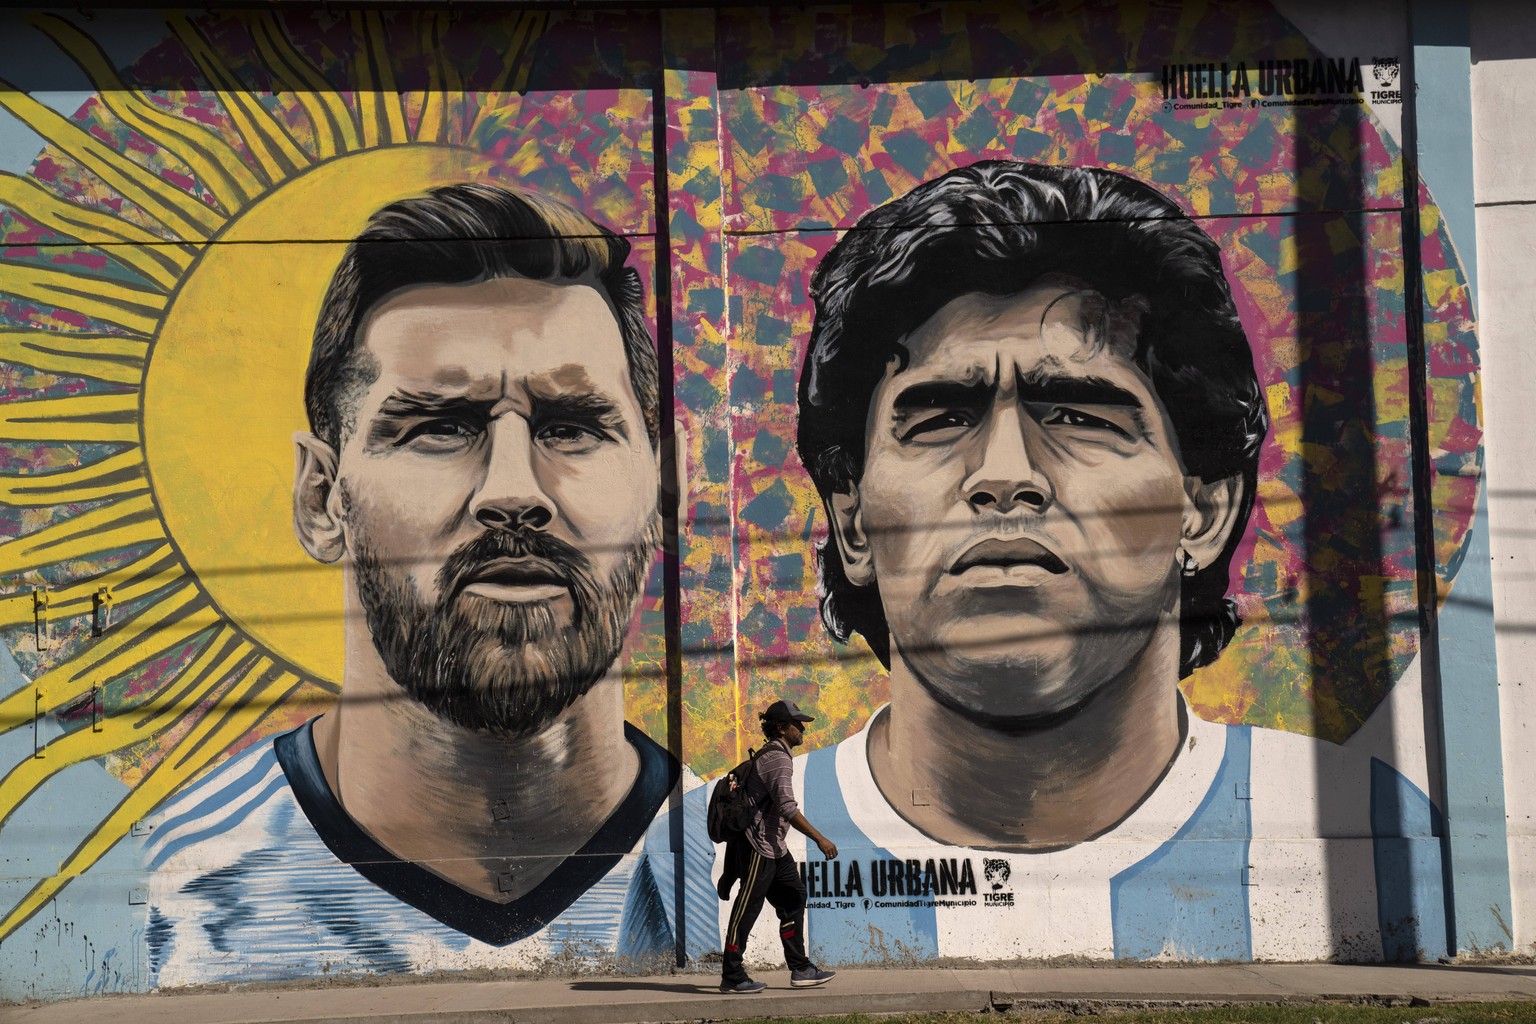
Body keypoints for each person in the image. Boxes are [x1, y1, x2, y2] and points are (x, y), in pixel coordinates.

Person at [736, 159, 1442, 964]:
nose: (1005, 475)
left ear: (1205, 509)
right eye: (937, 419)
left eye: (1077, 412)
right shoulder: (694, 843)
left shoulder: (1363, 818)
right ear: (851, 518)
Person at [143, 183, 679, 984]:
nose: (513, 491)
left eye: (571, 426)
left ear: (663, 495)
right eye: (440, 427)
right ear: (321, 500)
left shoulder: (737, 871)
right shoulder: (166, 901)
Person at [718, 700, 838, 993]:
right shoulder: (777, 759)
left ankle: (800, 969)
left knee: (794, 898)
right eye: (797, 724)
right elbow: (787, 807)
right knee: (747, 909)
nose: (803, 728)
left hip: (774, 846)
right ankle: (732, 976)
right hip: (758, 845)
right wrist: (820, 838)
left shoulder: (777, 755)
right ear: (782, 728)